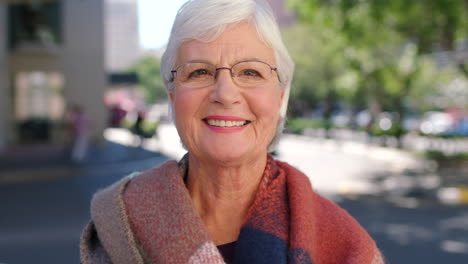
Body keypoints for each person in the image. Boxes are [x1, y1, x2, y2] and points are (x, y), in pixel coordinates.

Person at [80, 0, 384, 263]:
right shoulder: (118, 224)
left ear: (280, 98)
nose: (225, 94)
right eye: (199, 72)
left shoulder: (346, 245)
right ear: (173, 97)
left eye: (250, 72)